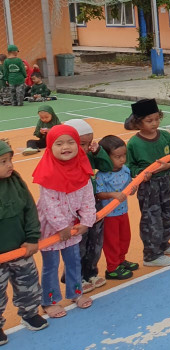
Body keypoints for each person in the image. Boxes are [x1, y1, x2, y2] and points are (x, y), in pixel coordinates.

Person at [32, 124, 96, 317]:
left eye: (70, 142)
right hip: (52, 229)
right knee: (51, 265)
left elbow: (87, 197)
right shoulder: (48, 173)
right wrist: (61, 227)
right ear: (50, 147)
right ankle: (49, 301)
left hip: (73, 227)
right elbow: (48, 205)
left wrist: (87, 220)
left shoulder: (82, 168)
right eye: (59, 143)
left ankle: (76, 293)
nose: (65, 147)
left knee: (74, 261)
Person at [0, 139, 48, 344]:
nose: (10, 165)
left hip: (21, 250)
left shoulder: (15, 180)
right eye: (3, 162)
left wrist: (31, 238)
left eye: (10, 160)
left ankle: (29, 314)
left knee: (28, 284)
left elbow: (29, 209)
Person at [125, 99, 170, 268]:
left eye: (157, 119)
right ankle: (151, 254)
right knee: (152, 219)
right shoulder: (134, 143)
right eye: (149, 120)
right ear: (138, 122)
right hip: (148, 186)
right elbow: (130, 167)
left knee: (169, 214)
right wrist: (142, 174)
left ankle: (163, 243)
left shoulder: (165, 136)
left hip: (166, 182)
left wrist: (169, 165)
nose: (154, 123)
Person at [63, 119, 114, 292]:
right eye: (81, 144)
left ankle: (91, 272)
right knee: (79, 243)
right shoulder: (64, 161)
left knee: (96, 240)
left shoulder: (90, 156)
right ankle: (76, 277)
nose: (85, 148)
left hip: (93, 203)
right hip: (75, 209)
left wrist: (98, 151)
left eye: (88, 143)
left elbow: (107, 166)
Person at [96, 135, 138, 281]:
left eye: (124, 155)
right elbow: (99, 194)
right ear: (106, 157)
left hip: (122, 211)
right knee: (112, 242)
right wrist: (112, 195)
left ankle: (121, 260)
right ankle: (112, 268)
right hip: (109, 215)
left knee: (125, 237)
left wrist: (132, 188)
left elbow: (129, 185)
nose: (122, 159)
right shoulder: (102, 176)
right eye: (117, 156)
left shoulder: (125, 170)